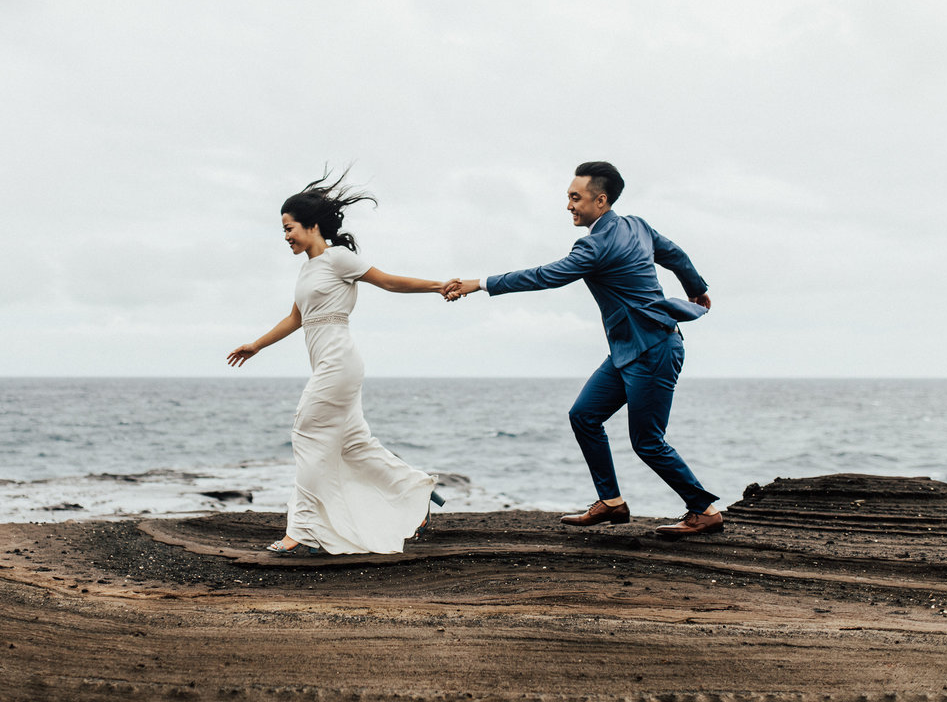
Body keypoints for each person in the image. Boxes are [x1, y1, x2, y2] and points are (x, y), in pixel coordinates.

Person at [443, 161, 723, 538]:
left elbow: (544, 276)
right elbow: (674, 254)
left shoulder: (595, 246)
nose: (569, 205)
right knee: (584, 415)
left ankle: (704, 511)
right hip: (628, 350)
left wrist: (480, 283)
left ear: (601, 201)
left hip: (653, 348)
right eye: (568, 197)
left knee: (647, 441)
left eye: (576, 198)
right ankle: (611, 502)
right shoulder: (636, 225)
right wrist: (696, 287)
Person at [227, 170, 449, 555]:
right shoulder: (307, 269)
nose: (285, 237)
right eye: (282, 231)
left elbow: (389, 282)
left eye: (289, 228)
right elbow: (296, 319)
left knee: (306, 435)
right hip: (329, 365)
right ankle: (417, 492)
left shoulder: (337, 259)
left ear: (312, 225)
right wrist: (257, 345)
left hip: (338, 363)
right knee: (355, 445)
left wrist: (438, 285)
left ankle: (303, 531)